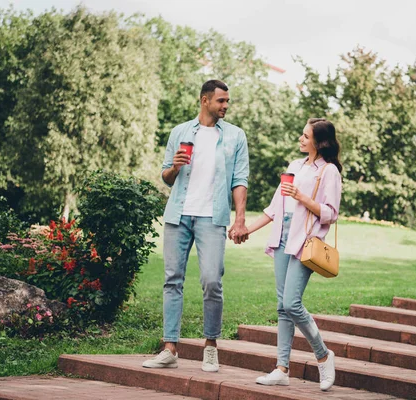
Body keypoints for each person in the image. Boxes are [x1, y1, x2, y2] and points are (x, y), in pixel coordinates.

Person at [142, 80, 250, 372]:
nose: (226, 106)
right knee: (172, 280)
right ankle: (170, 348)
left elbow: (240, 179)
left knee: (212, 281)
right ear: (205, 100)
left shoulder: (235, 136)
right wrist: (175, 167)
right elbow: (166, 177)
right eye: (221, 101)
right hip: (179, 215)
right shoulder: (180, 132)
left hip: (212, 217)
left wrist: (239, 218)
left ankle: (211, 346)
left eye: (227, 101)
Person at [241, 118, 342, 391]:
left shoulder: (329, 171)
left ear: (319, 142)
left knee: (292, 303)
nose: (300, 139)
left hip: (305, 243)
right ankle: (281, 368)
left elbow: (331, 213)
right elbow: (275, 207)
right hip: (282, 239)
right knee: (282, 307)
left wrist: (301, 196)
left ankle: (323, 354)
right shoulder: (295, 166)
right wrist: (247, 229)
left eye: (305, 136)